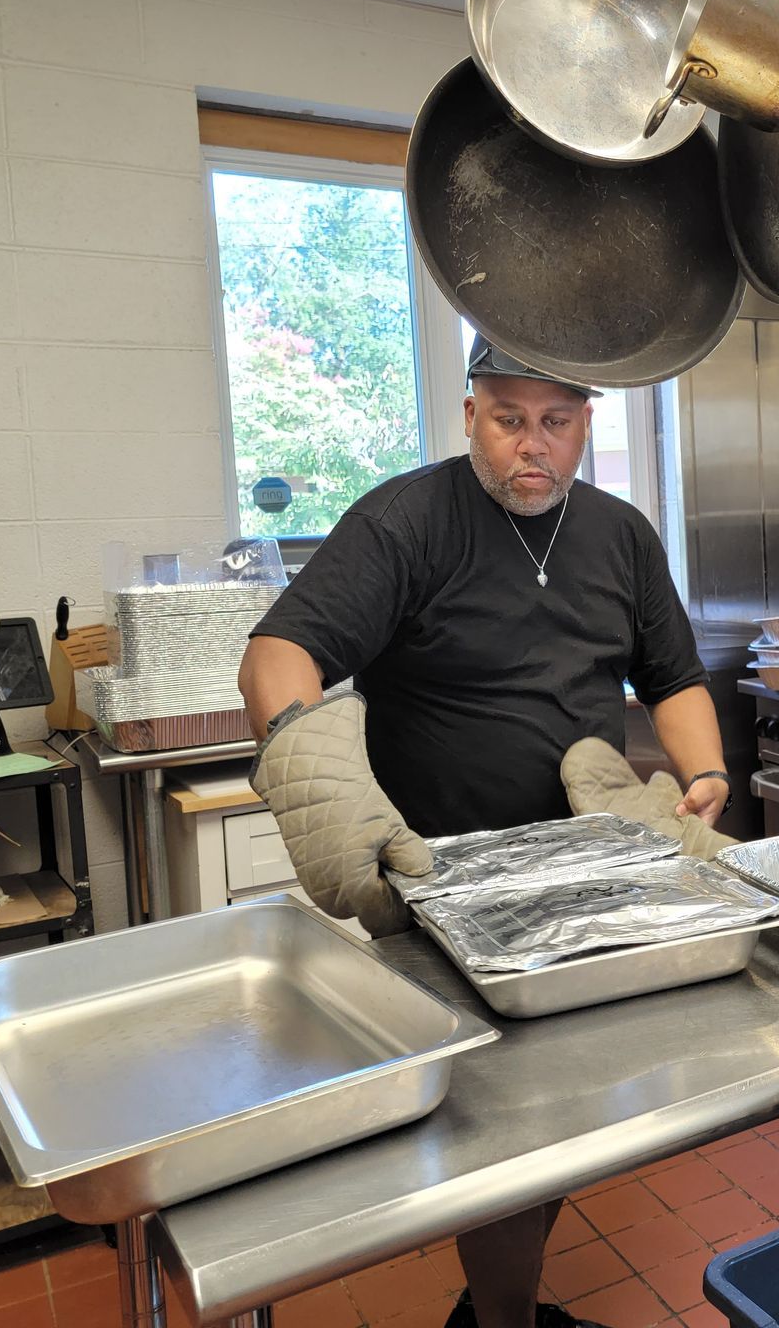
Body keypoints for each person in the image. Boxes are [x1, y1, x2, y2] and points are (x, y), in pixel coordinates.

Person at [239, 335, 731, 1328]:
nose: (532, 447)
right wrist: (310, 775)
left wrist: (706, 774)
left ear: (587, 424)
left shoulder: (622, 536)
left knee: (571, 1110)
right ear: (470, 413)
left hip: (594, 877)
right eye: (510, 419)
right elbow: (279, 652)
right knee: (511, 1132)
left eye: (556, 422)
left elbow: (670, 676)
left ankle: (503, 1308)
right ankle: (503, 1318)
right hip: (443, 888)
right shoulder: (406, 522)